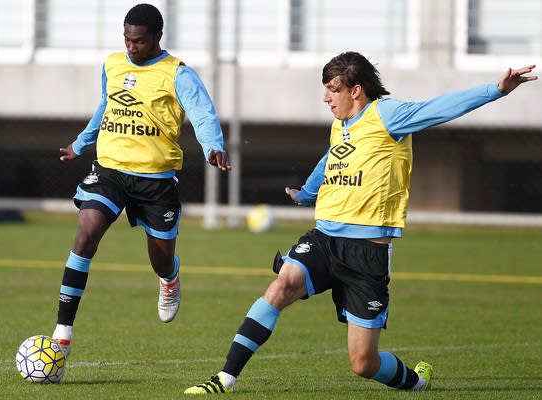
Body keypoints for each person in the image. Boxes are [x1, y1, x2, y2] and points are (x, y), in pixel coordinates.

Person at [184, 52, 537, 394]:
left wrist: (497, 89)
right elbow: (331, 159)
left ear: (356, 90)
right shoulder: (341, 125)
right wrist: (307, 193)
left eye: (332, 89)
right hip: (324, 238)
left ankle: (415, 381)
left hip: (366, 252)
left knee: (363, 364)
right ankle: (225, 378)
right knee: (282, 284)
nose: (325, 98)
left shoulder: (388, 115)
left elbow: (437, 108)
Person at [51, 3, 231, 357]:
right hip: (110, 170)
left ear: (157, 37)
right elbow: (106, 106)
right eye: (128, 40)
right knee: (85, 236)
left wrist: (213, 146)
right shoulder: (113, 64)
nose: (132, 48)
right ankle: (63, 331)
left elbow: (202, 113)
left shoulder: (177, 74)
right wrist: (81, 143)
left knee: (160, 260)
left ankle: (169, 278)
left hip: (155, 182)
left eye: (140, 42)